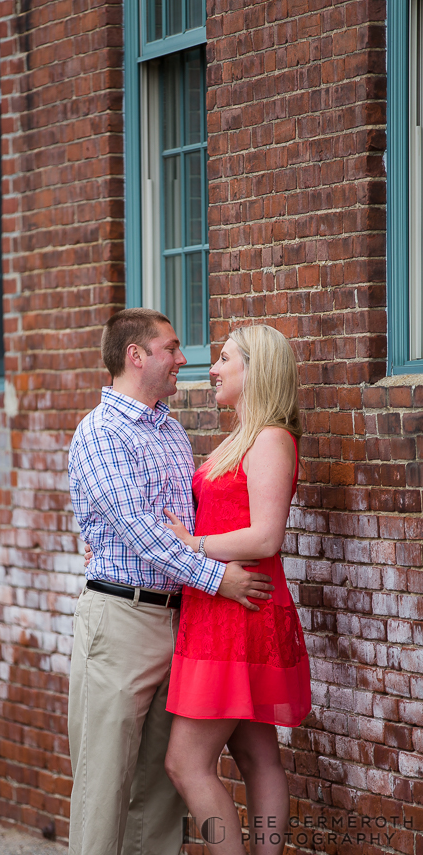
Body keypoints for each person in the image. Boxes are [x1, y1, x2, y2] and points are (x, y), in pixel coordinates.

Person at [67, 308, 276, 855]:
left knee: (159, 793)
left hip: (181, 621)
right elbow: (142, 533)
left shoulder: (171, 432)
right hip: (121, 624)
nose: (184, 359)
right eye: (172, 348)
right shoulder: (101, 433)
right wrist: (218, 579)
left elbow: (187, 527)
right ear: (136, 356)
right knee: (104, 783)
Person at [163, 324, 311, 855]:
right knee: (255, 757)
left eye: (225, 358)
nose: (213, 368)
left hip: (240, 612)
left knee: (186, 763)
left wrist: (192, 545)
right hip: (221, 608)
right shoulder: (242, 438)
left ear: (256, 370)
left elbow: (267, 535)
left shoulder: (271, 438)